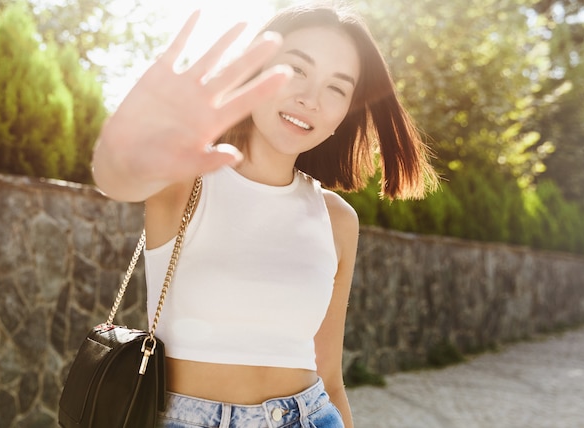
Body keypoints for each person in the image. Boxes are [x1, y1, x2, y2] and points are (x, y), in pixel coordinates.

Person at [92, 4, 438, 427]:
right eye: (297, 70)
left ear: (343, 115)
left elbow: (330, 374)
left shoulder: (337, 220)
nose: (309, 98)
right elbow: (118, 179)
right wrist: (120, 142)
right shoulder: (184, 181)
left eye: (336, 88)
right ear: (257, 70)